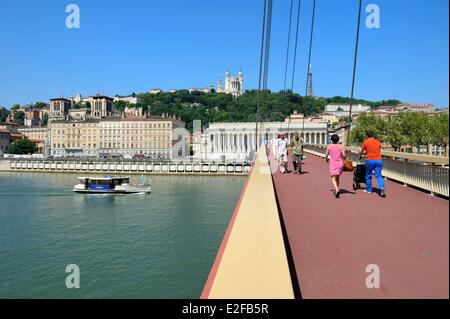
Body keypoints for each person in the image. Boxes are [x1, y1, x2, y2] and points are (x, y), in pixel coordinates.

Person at [359, 131, 386, 197]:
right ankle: (382, 188)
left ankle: (369, 189)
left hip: (370, 160)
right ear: (373, 136)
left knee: (368, 175)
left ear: (367, 136)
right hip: (378, 160)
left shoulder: (365, 142)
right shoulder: (378, 142)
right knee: (379, 175)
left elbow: (361, 151)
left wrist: (361, 156)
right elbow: (377, 149)